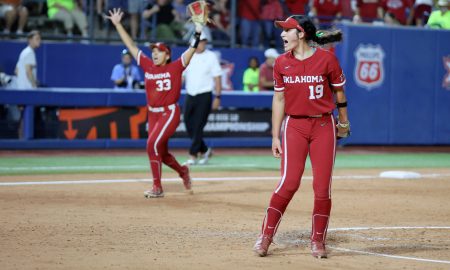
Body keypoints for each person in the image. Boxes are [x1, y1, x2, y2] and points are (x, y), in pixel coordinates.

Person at [253, 15, 350, 258]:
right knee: (289, 183)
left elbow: (339, 93)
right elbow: (279, 99)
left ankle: (318, 241)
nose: (282, 35)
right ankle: (265, 237)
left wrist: (344, 122)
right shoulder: (280, 63)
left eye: (287, 31)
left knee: (322, 188)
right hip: (294, 126)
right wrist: (275, 136)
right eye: (282, 31)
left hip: (323, 126)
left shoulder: (327, 60)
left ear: (301, 33)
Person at [105, 8, 203, 198]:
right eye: (154, 51)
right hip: (153, 114)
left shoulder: (176, 66)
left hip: (169, 112)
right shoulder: (147, 64)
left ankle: (157, 187)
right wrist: (118, 25)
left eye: (159, 51)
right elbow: (131, 46)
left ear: (167, 55)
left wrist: (198, 30)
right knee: (162, 152)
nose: (155, 54)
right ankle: (183, 171)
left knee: (152, 145)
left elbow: (191, 49)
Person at [183, 32, 222, 165]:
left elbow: (217, 77)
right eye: (199, 41)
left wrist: (217, 96)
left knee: (199, 125)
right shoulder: (188, 55)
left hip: (205, 94)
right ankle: (205, 150)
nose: (202, 43)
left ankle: (193, 155)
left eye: (204, 41)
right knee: (188, 123)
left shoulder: (211, 56)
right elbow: (182, 76)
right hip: (190, 93)